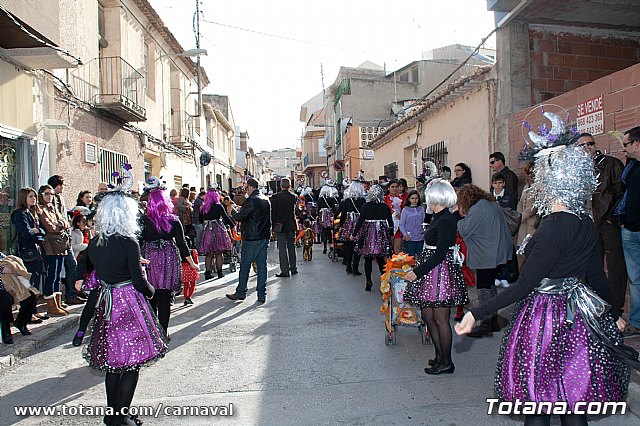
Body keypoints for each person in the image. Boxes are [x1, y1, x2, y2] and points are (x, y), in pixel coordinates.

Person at [456, 128, 632, 426]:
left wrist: (477, 312)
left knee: (538, 402)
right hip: (580, 318)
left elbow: (525, 285)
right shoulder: (585, 223)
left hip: (546, 320)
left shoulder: (550, 230)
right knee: (572, 401)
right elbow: (597, 278)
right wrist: (613, 312)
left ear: (549, 185)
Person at [74, 189, 168, 426]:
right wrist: (152, 291)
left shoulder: (95, 243)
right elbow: (138, 282)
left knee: (113, 364)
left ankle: (112, 414)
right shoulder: (129, 243)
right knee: (131, 363)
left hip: (107, 304)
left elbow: (89, 269)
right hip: (128, 304)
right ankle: (121, 416)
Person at [404, 180, 468, 375]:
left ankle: (447, 361)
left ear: (436, 197)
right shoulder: (439, 216)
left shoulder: (446, 219)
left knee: (440, 317)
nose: (425, 199)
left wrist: (417, 272)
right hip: (432, 270)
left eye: (428, 195)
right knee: (428, 315)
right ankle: (439, 356)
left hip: (440, 272)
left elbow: (441, 253)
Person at [577, 132, 629, 332]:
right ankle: (595, 310)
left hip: (607, 222)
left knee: (616, 267)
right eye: (582, 145)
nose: (587, 147)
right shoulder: (578, 169)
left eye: (590, 144)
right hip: (588, 226)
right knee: (591, 268)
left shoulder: (610, 163)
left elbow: (620, 193)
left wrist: (612, 217)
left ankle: (616, 312)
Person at [140, 178, 198, 335]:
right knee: (165, 297)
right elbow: (182, 244)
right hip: (168, 259)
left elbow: (136, 244)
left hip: (149, 259)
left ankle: (153, 334)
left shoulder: (142, 221)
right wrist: (192, 263)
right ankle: (163, 333)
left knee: (151, 296)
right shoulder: (174, 220)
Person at [456, 184, 512, 337]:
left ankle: (485, 323)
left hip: (487, 253)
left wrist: (459, 217)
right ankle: (492, 320)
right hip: (496, 250)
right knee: (489, 285)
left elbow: (464, 229)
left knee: (483, 288)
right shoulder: (490, 203)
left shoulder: (478, 209)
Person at [226, 178, 271, 303]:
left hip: (252, 238)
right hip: (263, 237)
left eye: (246, 188)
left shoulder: (251, 200)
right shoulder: (265, 199)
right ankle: (262, 294)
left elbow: (240, 217)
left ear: (250, 187)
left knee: (245, 266)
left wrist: (232, 210)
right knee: (262, 267)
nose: (246, 190)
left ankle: (241, 292)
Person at [615, 126, 640, 336]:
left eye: (626, 144)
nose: (624, 149)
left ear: (637, 144)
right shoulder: (630, 166)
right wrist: (623, 222)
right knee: (636, 280)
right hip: (630, 230)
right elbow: (623, 195)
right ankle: (637, 322)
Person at [11, 187, 47, 321]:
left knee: (36, 281)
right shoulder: (19, 214)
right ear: (24, 198)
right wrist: (36, 234)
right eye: (31, 196)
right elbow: (27, 234)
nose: (34, 199)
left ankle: (34, 309)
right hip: (26, 252)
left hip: (36, 251)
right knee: (28, 283)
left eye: (34, 196)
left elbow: (42, 231)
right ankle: (27, 314)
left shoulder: (31, 212)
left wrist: (37, 232)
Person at [38, 184, 72, 316]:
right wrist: (60, 226)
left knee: (57, 275)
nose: (49, 196)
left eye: (51, 194)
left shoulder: (53, 208)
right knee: (51, 275)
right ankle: (51, 305)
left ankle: (57, 302)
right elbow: (50, 227)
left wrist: (61, 225)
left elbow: (65, 222)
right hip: (50, 246)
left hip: (60, 245)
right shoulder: (41, 209)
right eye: (46, 194)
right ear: (41, 195)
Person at [352, 185, 393, 291]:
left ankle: (368, 281)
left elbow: (360, 221)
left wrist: (354, 233)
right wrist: (391, 235)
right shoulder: (385, 207)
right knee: (380, 259)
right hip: (381, 234)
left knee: (368, 259)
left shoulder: (366, 206)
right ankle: (384, 281)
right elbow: (390, 222)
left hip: (369, 234)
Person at [48, 175, 81, 306]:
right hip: (58, 238)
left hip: (65, 236)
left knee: (71, 266)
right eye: (62, 185)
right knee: (59, 270)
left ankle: (70, 295)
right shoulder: (51, 199)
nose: (63, 188)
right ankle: (65, 297)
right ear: (59, 185)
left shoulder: (59, 198)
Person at [199, 188, 234, 279]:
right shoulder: (218, 206)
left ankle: (207, 273)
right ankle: (219, 272)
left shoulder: (203, 207)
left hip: (207, 229)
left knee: (209, 253)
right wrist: (232, 225)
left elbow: (200, 220)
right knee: (219, 252)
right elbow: (225, 217)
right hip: (218, 229)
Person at [270, 178, 298, 277]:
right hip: (291, 224)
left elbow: (272, 213)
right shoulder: (294, 196)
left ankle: (285, 270)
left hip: (279, 225)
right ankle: (293, 268)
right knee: (291, 246)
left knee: (282, 248)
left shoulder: (274, 197)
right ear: (290, 186)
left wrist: (272, 226)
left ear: (281, 185)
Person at [338, 179, 366, 275]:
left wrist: (341, 226)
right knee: (358, 246)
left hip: (349, 224)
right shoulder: (363, 200)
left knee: (349, 246)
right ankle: (355, 268)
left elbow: (343, 214)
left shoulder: (347, 201)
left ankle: (348, 266)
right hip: (359, 224)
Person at [517, 161, 537, 268]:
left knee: (531, 252)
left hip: (532, 225)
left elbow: (534, 207)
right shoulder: (525, 187)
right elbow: (520, 203)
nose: (531, 175)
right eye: (529, 173)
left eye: (533, 173)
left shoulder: (538, 188)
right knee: (521, 253)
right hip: (522, 225)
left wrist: (522, 216)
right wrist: (519, 215)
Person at [399, 190, 425, 258]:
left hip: (420, 237)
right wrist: (405, 235)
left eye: (416, 198)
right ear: (409, 199)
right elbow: (401, 224)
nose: (414, 200)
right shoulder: (405, 210)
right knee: (410, 259)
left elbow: (423, 222)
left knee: (421, 258)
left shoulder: (421, 209)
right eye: (412, 198)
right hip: (410, 238)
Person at [384, 179, 405, 255]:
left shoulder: (402, 199)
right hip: (388, 225)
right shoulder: (384, 199)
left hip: (399, 225)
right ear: (388, 188)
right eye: (392, 187)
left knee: (398, 248)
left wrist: (402, 215)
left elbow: (406, 211)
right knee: (388, 249)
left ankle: (397, 266)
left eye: (396, 186)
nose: (395, 188)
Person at [317, 183, 339, 255]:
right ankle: (332, 245)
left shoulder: (320, 199)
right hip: (330, 215)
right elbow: (334, 208)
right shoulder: (332, 199)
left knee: (324, 232)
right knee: (332, 231)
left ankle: (325, 247)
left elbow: (318, 208)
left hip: (323, 216)